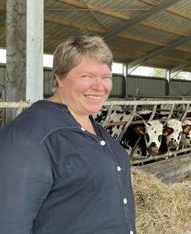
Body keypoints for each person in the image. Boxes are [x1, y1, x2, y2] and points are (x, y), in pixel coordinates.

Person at [0, 36, 136, 234]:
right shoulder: (29, 136)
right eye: (87, 76)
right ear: (59, 78)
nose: (100, 86)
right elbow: (9, 224)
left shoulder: (95, 128)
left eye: (106, 77)